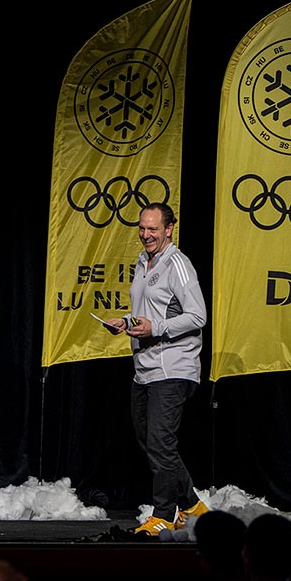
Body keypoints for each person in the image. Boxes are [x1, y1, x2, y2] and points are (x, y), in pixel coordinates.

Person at [103, 202, 208, 536]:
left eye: (153, 229)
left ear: (169, 229)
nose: (146, 234)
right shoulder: (143, 261)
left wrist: (155, 328)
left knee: (161, 441)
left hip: (174, 366)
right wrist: (127, 322)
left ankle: (164, 513)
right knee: (151, 443)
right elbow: (149, 310)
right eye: (142, 228)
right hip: (144, 367)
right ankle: (191, 505)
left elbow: (197, 316)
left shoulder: (178, 265)